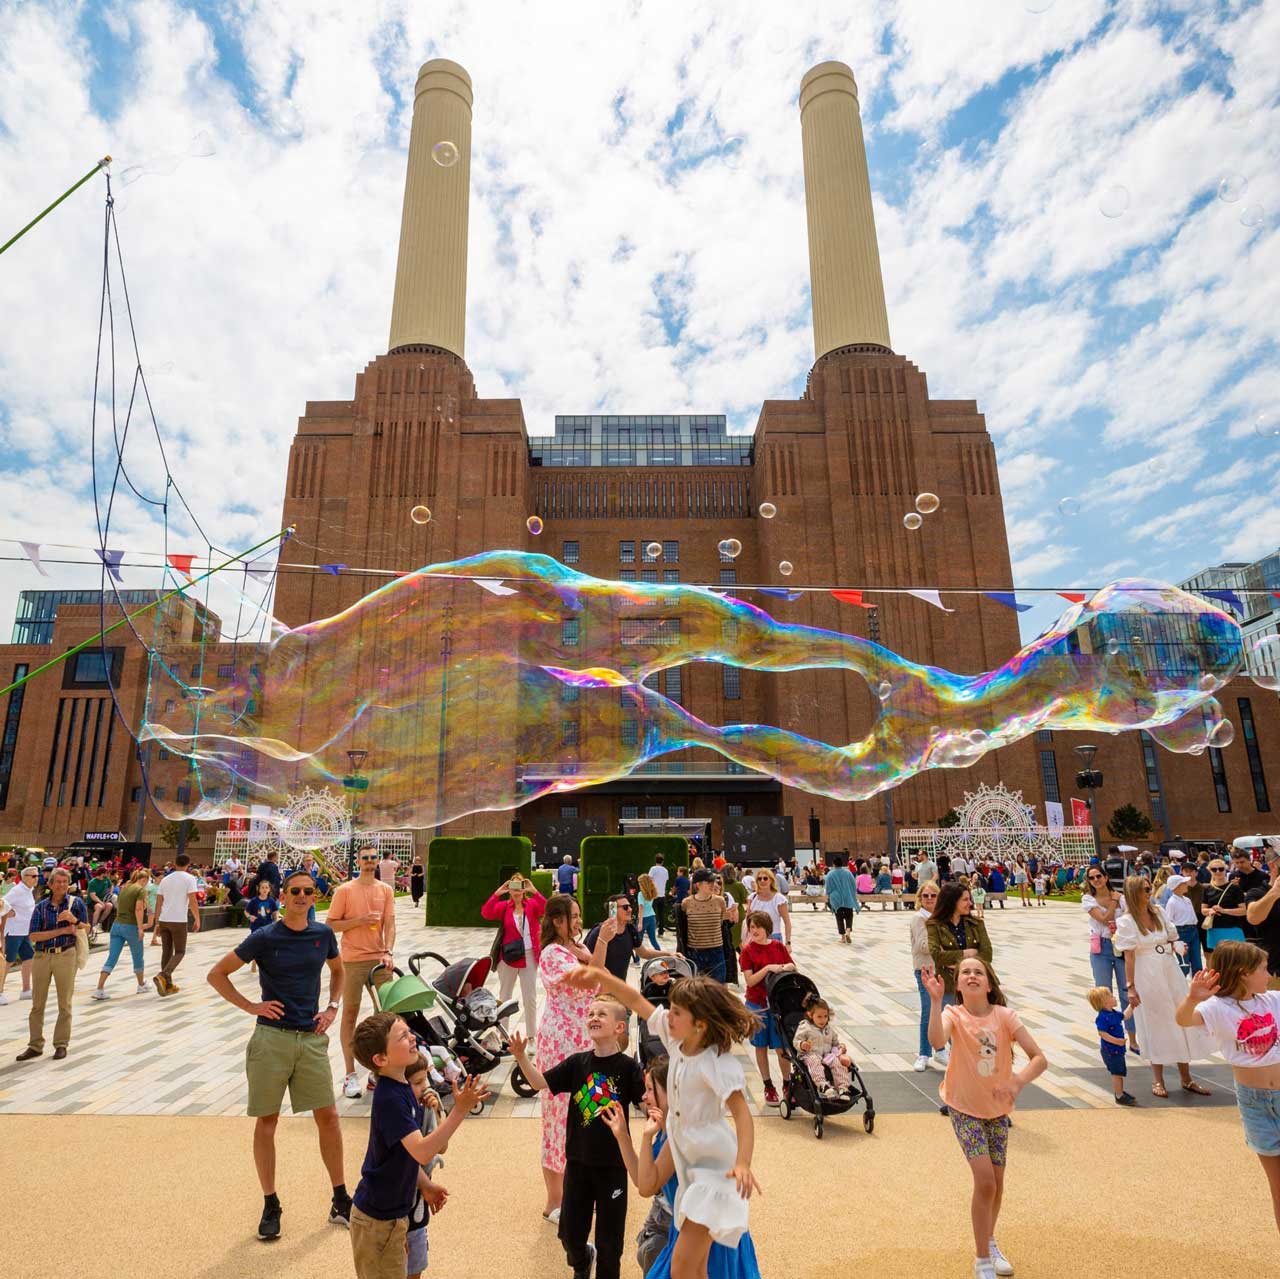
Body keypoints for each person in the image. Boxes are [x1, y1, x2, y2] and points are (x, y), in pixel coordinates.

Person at [560, 965, 760, 1276]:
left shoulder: (717, 1064)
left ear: (700, 1025)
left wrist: (744, 1163)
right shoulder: (676, 1043)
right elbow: (637, 1001)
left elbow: (743, 1117)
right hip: (690, 1158)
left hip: (714, 1171)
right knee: (695, 1269)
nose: (669, 1016)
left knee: (682, 1268)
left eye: (677, 1012)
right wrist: (600, 977)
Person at [207, 866, 349, 1241]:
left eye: (308, 891)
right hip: (271, 1039)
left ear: (314, 897)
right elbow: (217, 974)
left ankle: (340, 1198)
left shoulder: (322, 935)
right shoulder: (265, 936)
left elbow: (338, 971)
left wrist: (333, 1006)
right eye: (295, 891)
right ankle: (271, 1203)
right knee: (267, 1123)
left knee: (330, 1117)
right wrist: (252, 1006)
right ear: (283, 896)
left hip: (311, 1038)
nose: (302, 897)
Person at [924, 957, 1048, 1279]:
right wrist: (936, 1002)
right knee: (985, 1180)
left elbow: (1039, 1058)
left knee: (997, 1183)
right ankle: (981, 1259)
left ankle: (989, 1240)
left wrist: (1017, 1082)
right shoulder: (954, 1014)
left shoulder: (1005, 1016)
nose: (972, 975)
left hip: (996, 1111)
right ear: (959, 985)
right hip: (964, 1107)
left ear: (989, 984)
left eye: (978, 971)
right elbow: (937, 1041)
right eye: (965, 972)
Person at [510, 999, 646, 1279]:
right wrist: (522, 1057)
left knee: (611, 1247)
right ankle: (583, 1260)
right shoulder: (577, 1063)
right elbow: (538, 1083)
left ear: (619, 1027)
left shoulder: (628, 1067)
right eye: (591, 1013)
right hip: (578, 1163)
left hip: (613, 1167)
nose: (594, 1017)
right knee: (570, 1237)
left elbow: (646, 1102)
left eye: (602, 1014)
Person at [350, 1011, 487, 1277]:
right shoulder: (390, 1098)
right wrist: (459, 1111)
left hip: (392, 1214)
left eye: (409, 1032)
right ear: (381, 1059)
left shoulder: (403, 1088)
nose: (412, 1037)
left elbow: (403, 1156)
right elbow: (423, 1150)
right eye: (402, 1036)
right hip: (377, 1220)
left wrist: (425, 1185)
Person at [603, 1055, 763, 1279]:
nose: (644, 1096)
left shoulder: (685, 1132)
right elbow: (643, 1180)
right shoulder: (668, 1128)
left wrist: (646, 1138)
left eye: (650, 1089)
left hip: (705, 1234)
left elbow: (646, 1186)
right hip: (683, 1225)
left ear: (672, 1092)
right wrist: (622, 1137)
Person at [1176, 941, 1280, 1231]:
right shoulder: (1217, 1008)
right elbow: (1183, 1019)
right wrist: (1192, 998)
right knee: (1278, 1185)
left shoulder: (1272, 1000)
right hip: (1256, 1104)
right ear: (1244, 973)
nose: (1269, 974)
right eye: (1263, 969)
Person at [1115, 875, 1212, 1099]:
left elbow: (1172, 936)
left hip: (1169, 967)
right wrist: (1130, 987)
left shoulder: (1158, 912)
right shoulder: (1127, 922)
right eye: (1145, 889)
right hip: (1146, 972)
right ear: (1133, 893)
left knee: (1181, 1017)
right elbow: (1129, 956)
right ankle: (1157, 1079)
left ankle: (1186, 1077)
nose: (1149, 892)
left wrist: (1175, 946)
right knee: (1155, 1021)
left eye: (1150, 888)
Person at [536, 893, 601, 1222]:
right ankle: (554, 1201)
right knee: (558, 1118)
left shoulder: (580, 950)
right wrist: (604, 940)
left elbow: (597, 981)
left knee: (588, 1113)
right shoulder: (552, 952)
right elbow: (585, 978)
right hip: (560, 1042)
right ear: (556, 921)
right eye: (572, 916)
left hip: (586, 1038)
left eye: (578, 915)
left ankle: (581, 1191)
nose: (577, 922)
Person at [327, 844, 397, 1099]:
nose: (369, 861)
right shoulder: (345, 890)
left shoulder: (385, 890)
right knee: (350, 1014)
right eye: (365, 858)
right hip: (352, 960)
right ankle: (349, 1075)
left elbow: (390, 923)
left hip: (378, 959)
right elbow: (331, 925)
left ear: (378, 861)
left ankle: (377, 1071)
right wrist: (358, 921)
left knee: (387, 1016)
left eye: (373, 858)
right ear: (358, 861)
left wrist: (388, 951)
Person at [15, 866, 88, 1062]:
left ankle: (61, 1044)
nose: (62, 885)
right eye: (58, 882)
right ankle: (35, 1045)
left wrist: (74, 920)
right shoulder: (41, 907)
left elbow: (86, 928)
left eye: (65, 882)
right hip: (42, 956)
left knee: (65, 1003)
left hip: (66, 955)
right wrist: (62, 931)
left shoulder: (76, 903)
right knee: (37, 1003)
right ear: (50, 884)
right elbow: (34, 935)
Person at [738, 911, 796, 1106]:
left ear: (767, 928)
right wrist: (768, 968)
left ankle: (787, 1083)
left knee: (782, 1046)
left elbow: (792, 967)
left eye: (758, 927)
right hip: (757, 1003)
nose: (754, 931)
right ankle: (768, 1085)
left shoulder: (778, 946)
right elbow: (750, 980)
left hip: (778, 1003)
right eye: (751, 927)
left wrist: (786, 967)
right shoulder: (747, 951)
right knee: (760, 1046)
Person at [482, 873, 546, 1042]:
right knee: (505, 997)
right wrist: (497, 893)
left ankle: (532, 1037)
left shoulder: (531, 905)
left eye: (519, 886)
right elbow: (486, 913)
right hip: (508, 958)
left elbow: (546, 908)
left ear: (524, 888)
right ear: (509, 889)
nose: (516, 891)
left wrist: (534, 891)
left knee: (530, 998)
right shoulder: (504, 907)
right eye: (513, 887)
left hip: (529, 956)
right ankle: (503, 1036)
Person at [1081, 865, 1138, 1053]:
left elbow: (1130, 917)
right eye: (1092, 878)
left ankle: (1132, 1037)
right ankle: (1108, 1035)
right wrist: (1113, 903)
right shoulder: (1089, 899)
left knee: (1125, 991)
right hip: (1101, 947)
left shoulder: (1121, 897)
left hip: (1120, 946)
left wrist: (1116, 901)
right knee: (1103, 992)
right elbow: (1104, 919)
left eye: (1099, 876)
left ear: (1106, 877)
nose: (1096, 880)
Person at [403, 1055, 448, 1279]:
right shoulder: (401, 1114)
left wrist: (438, 1112)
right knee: (399, 1258)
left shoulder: (427, 1107)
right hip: (400, 1198)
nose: (425, 1087)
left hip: (420, 1198)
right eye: (418, 1082)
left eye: (426, 1080)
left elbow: (442, 1148)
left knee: (417, 1259)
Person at [91, 866, 149, 999]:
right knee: (138, 956)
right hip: (131, 926)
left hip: (116, 925)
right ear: (144, 879)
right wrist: (140, 928)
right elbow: (138, 909)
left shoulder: (125, 887)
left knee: (112, 957)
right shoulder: (140, 890)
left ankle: (99, 989)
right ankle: (141, 985)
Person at [927, 882, 994, 999]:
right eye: (965, 900)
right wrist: (967, 954)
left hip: (979, 987)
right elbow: (937, 956)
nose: (970, 903)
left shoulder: (976, 924)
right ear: (952, 902)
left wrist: (953, 962)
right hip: (949, 988)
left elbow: (987, 955)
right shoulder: (934, 925)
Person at [910, 880, 949, 1072]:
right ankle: (924, 1053)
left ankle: (941, 1050)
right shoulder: (919, 918)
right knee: (928, 1011)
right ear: (920, 898)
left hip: (942, 970)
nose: (929, 899)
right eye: (925, 895)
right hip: (926, 970)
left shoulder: (942, 917)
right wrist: (944, 948)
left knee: (944, 1011)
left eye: (933, 895)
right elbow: (921, 946)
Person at [585, 895, 672, 981]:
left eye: (630, 906)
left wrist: (669, 954)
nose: (630, 910)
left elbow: (644, 953)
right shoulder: (599, 932)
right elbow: (588, 964)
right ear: (613, 909)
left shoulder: (630, 929)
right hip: (600, 990)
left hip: (620, 988)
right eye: (625, 907)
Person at [154, 852, 201, 996]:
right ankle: (164, 975)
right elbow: (192, 900)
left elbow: (159, 901)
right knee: (180, 951)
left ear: (174, 864)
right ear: (188, 865)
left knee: (166, 951)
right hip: (179, 919)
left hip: (164, 918)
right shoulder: (190, 878)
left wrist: (157, 921)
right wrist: (197, 919)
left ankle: (167, 985)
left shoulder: (166, 879)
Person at [792, 992, 854, 1100]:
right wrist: (802, 1044)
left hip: (826, 1055)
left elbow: (835, 1042)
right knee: (814, 1061)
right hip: (809, 1054)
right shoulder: (805, 1027)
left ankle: (843, 1088)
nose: (823, 1020)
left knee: (837, 1063)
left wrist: (840, 1047)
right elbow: (796, 1041)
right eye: (819, 1017)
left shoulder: (828, 1029)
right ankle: (822, 1085)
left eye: (825, 1016)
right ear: (810, 1015)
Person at [680, 869, 738, 982]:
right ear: (698, 885)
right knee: (697, 988)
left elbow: (721, 921)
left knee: (718, 986)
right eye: (708, 882)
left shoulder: (720, 901)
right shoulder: (686, 903)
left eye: (713, 882)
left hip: (716, 950)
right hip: (695, 951)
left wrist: (732, 914)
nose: (713, 885)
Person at [1087, 986, 1137, 1105]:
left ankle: (1120, 1092)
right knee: (1116, 1073)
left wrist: (1132, 1006)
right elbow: (1102, 1034)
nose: (1114, 997)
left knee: (1119, 1073)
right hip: (1111, 1051)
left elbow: (1125, 1016)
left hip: (1117, 1050)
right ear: (1104, 1002)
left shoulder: (1114, 1013)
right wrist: (1116, 1041)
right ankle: (1119, 1095)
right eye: (1111, 996)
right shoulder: (1103, 1017)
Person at [0, 863, 38, 1004]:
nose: (36, 878)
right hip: (14, 932)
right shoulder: (17, 890)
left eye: (37, 875)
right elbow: (2, 903)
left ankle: (26, 990)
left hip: (25, 932)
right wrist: (9, 913)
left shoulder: (29, 889)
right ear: (24, 877)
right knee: (7, 962)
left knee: (28, 959)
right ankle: (0, 991)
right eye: (33, 876)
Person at [1245, 846, 1280, 989]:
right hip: (1274, 971)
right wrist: (1275, 892)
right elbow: (1253, 917)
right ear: (1273, 865)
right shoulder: (1257, 893)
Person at [1202, 857, 1248, 953]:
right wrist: (1210, 911)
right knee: (1220, 961)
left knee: (1237, 959)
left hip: (1232, 928)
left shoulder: (1235, 888)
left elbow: (1243, 911)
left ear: (1225, 870)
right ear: (1210, 871)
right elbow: (1203, 910)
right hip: (1214, 929)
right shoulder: (1207, 889)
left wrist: (1223, 910)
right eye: (1214, 869)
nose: (1218, 871)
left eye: (1221, 869)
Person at [1164, 873, 1203, 975]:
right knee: (1184, 964)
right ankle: (1179, 988)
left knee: (1197, 963)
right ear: (1177, 886)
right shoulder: (1171, 902)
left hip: (1193, 930)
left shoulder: (1187, 900)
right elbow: (1169, 921)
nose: (1187, 885)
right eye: (1184, 883)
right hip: (1181, 932)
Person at [746, 868, 791, 947]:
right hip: (755, 938)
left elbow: (787, 922)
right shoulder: (752, 897)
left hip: (773, 938)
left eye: (765, 878)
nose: (762, 881)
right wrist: (747, 937)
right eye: (759, 879)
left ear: (771, 880)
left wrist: (788, 943)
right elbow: (748, 920)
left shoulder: (779, 899)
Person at [824, 854, 857, 944]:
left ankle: (842, 937)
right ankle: (848, 931)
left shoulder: (830, 874)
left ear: (834, 864)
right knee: (849, 915)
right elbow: (854, 884)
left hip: (836, 899)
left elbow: (828, 888)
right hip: (847, 897)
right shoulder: (848, 873)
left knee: (839, 917)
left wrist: (827, 898)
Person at [637, 873, 661, 949]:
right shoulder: (652, 893)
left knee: (638, 941)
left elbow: (641, 908)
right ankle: (662, 956)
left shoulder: (641, 894)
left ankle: (637, 960)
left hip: (643, 919)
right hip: (652, 917)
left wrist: (640, 923)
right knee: (653, 940)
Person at [86, 864, 114, 930]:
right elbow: (92, 896)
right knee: (99, 907)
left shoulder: (106, 879)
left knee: (110, 905)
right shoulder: (93, 882)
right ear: (102, 874)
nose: (108, 875)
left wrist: (110, 893)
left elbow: (111, 886)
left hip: (103, 899)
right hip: (93, 901)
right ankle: (94, 926)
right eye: (106, 873)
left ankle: (99, 923)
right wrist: (101, 902)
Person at [648, 853, 670, 935]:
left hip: (653, 895)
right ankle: (661, 930)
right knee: (661, 914)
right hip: (662, 894)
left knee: (651, 913)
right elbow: (666, 880)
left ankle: (651, 929)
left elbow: (649, 879)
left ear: (655, 860)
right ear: (663, 861)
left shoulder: (653, 869)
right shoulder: (665, 870)